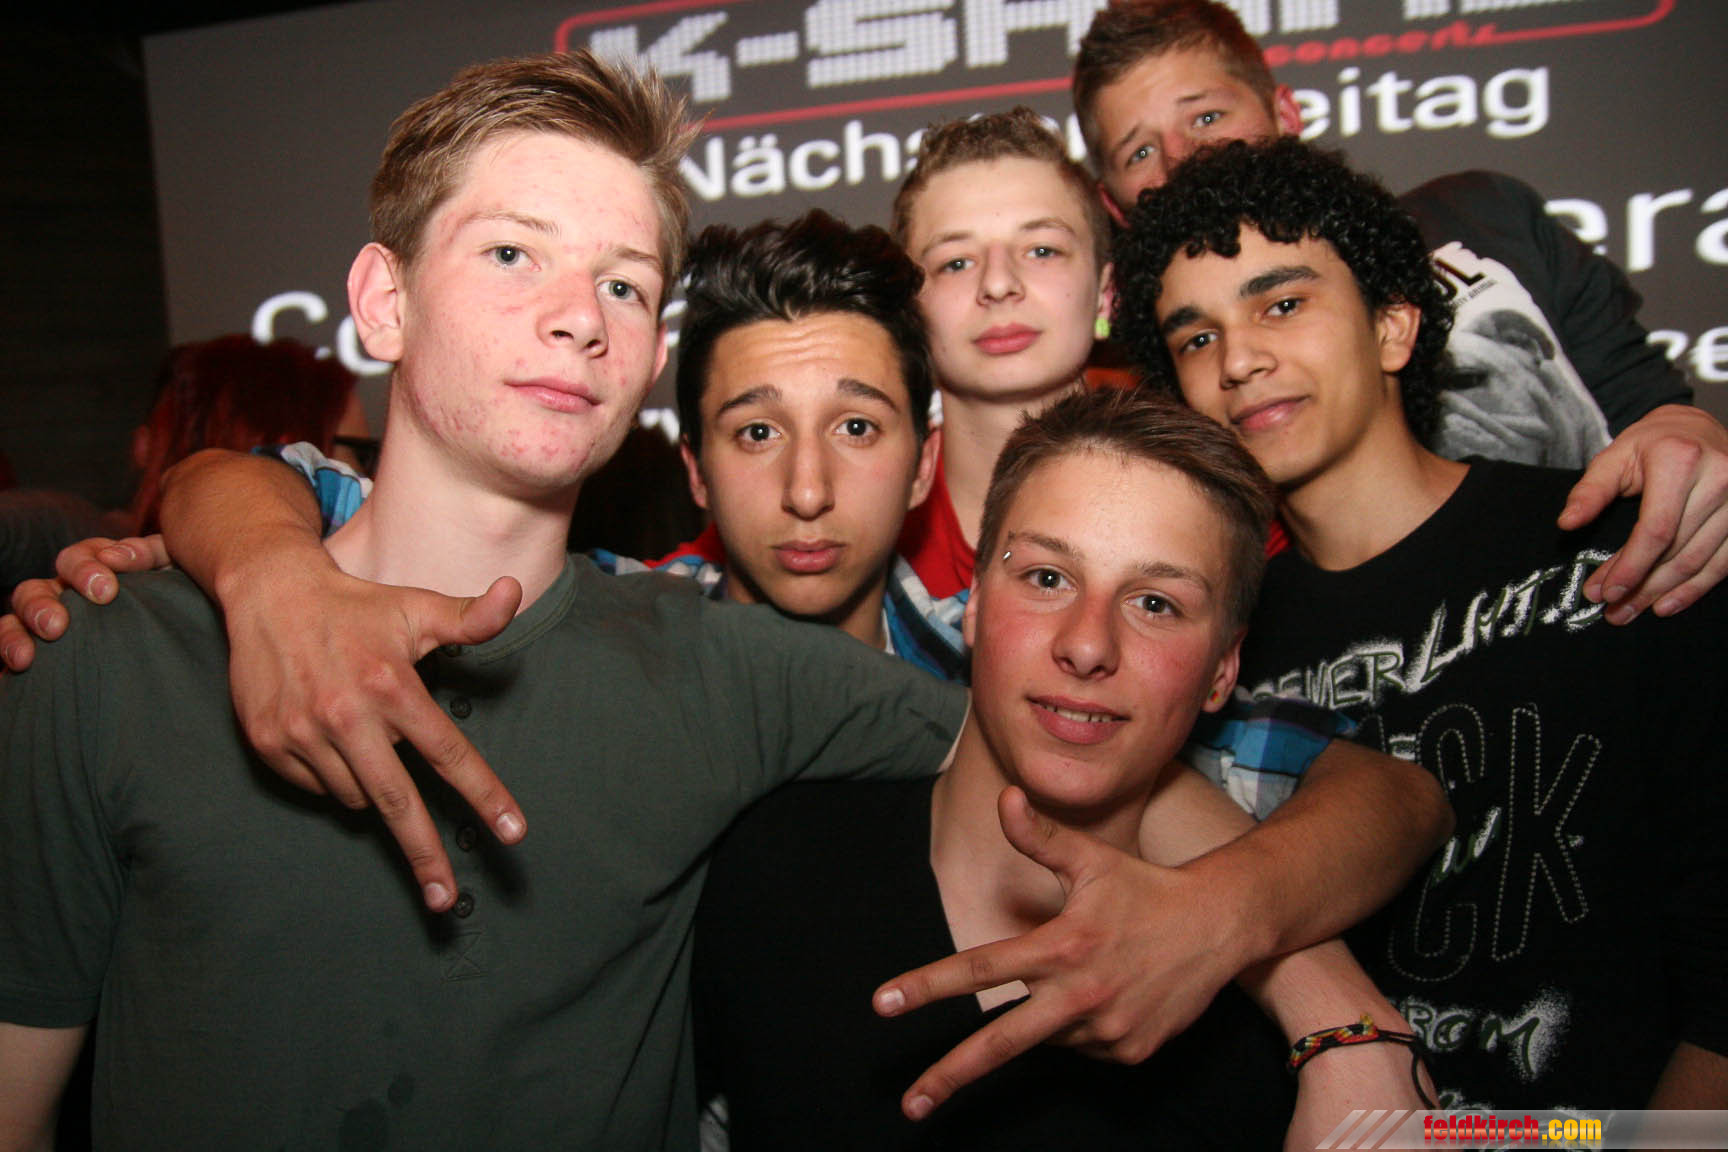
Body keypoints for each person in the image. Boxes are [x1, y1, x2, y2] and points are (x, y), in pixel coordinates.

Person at [0, 201, 1451, 1123]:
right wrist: (257, 568)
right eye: (757, 434)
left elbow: (1373, 792)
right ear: (691, 468)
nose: (808, 490)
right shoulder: (620, 635)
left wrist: (1312, 993)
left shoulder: (1005, 651)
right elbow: (298, 486)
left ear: (926, 461)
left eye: (859, 429)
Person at [0, 51, 972, 1150]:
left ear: (647, 358)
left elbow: (1052, 754)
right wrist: (258, 569)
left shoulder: (727, 670)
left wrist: (1161, 898)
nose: (579, 317)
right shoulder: (104, 656)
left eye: (623, 284)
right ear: (385, 303)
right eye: (513, 253)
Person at [1111, 135, 1728, 1109]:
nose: (1240, 359)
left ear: (1394, 328)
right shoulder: (1212, 649)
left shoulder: (1621, 548)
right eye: (1196, 338)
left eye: (1282, 303)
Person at [695, 387, 1432, 1149]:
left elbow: (1407, 798)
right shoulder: (768, 872)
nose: (1087, 645)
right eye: (1048, 578)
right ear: (974, 602)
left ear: (1223, 669)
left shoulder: (1277, 1015)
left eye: (1155, 603)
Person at [1071, 0, 1728, 625]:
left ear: (1285, 114)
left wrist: (1690, 438)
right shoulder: (1160, 381)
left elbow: (1653, 410)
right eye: (1140, 152)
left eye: (1207, 117)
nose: (1186, 157)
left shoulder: (1484, 216)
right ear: (1114, 204)